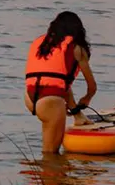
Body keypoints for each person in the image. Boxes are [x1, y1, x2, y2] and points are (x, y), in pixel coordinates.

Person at [25, 11, 97, 154]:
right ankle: (52, 176)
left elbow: (60, 84)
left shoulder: (41, 43)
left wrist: (76, 112)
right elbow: (92, 86)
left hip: (29, 97)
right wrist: (87, 98)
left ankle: (79, 118)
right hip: (50, 102)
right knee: (50, 154)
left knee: (57, 83)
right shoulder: (76, 48)